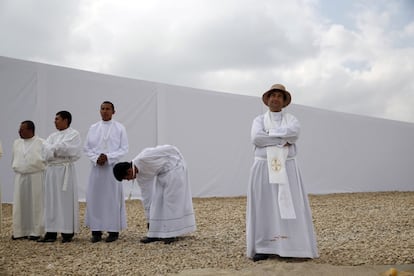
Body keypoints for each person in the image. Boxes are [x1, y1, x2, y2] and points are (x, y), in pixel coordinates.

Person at [246, 84, 319, 262]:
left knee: (290, 205)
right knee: (264, 206)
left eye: (279, 96)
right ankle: (264, 246)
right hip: (263, 168)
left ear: (284, 101)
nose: (275, 98)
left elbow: (293, 135)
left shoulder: (292, 119)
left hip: (288, 169)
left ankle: (293, 246)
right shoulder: (258, 120)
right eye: (273, 95)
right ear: (267, 99)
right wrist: (281, 139)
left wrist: (269, 136)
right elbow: (256, 138)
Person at [113, 145, 196, 244]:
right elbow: (147, 197)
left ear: (129, 171)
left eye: (127, 178)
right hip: (162, 174)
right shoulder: (140, 177)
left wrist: (179, 158)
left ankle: (171, 233)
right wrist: (149, 221)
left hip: (176, 168)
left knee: (171, 201)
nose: (129, 180)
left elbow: (169, 148)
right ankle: (154, 233)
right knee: (157, 201)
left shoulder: (144, 157)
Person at [84, 101, 129, 243]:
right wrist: (96, 158)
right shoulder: (93, 128)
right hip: (97, 169)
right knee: (95, 198)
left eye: (108, 109)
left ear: (113, 111)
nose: (105, 111)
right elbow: (87, 148)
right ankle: (96, 231)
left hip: (112, 170)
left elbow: (124, 149)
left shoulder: (120, 128)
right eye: (102, 109)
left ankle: (113, 230)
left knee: (112, 199)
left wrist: (108, 157)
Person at [38, 111, 82, 243]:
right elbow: (44, 152)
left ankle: (67, 232)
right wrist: (54, 150)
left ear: (66, 120)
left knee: (65, 200)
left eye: (57, 119)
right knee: (51, 200)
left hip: (64, 171)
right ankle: (50, 232)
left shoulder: (74, 134)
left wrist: (52, 149)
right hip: (52, 171)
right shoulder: (52, 136)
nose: (54, 121)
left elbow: (68, 149)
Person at [11, 120, 46, 240]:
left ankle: (36, 231)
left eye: (22, 129)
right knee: (20, 203)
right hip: (20, 175)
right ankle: (20, 231)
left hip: (35, 175)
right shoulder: (16, 143)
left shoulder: (41, 142)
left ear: (30, 130)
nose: (19, 131)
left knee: (36, 203)